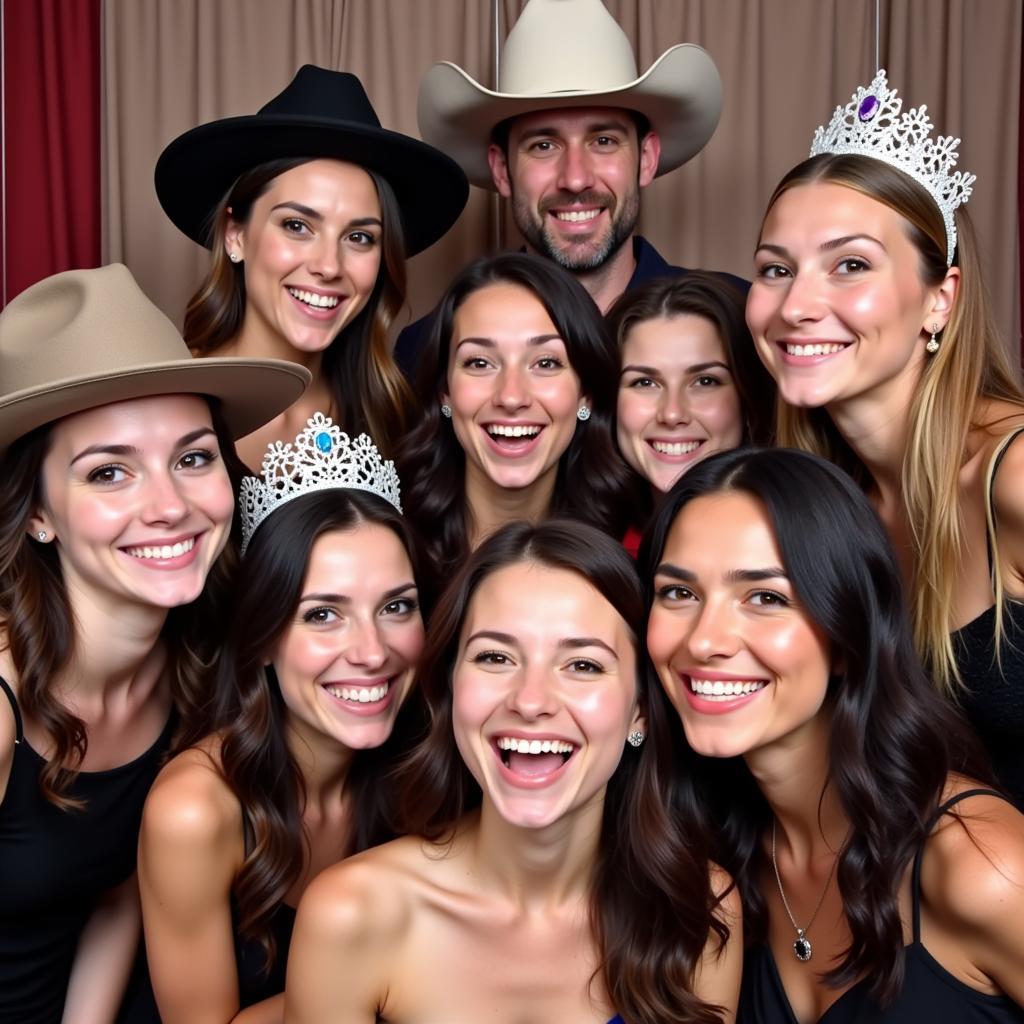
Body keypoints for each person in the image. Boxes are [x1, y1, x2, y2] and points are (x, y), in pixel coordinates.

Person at [0, 264, 306, 1023]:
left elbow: (112, 899)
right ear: (37, 514)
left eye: (193, 457)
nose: (169, 506)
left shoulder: (192, 669)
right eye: (110, 473)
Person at [286, 519, 742, 1024]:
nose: (531, 701)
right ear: (452, 687)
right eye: (495, 657)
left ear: (639, 711)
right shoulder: (352, 915)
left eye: (583, 666)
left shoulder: (698, 910)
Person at [644, 447, 1024, 1021]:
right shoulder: (707, 859)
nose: (703, 641)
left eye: (766, 598)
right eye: (679, 593)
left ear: (848, 635)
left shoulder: (982, 864)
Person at [745, 69, 1024, 806]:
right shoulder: (831, 504)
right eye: (776, 269)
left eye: (851, 266)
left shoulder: (1013, 475)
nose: (797, 305)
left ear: (941, 298)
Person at [137, 416, 428, 1022]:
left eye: (397, 607)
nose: (373, 652)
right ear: (264, 635)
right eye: (323, 615)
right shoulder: (195, 811)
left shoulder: (430, 771)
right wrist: (394, 976)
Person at [396, 0, 743, 377]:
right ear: (501, 169)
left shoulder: (739, 323)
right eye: (543, 146)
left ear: (646, 158)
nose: (575, 178)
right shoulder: (430, 348)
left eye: (604, 141)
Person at [156, 64, 468, 468]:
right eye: (297, 226)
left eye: (360, 237)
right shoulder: (169, 398)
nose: (328, 266)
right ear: (235, 235)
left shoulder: (394, 412)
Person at [396, 252, 634, 579]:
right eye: (480, 363)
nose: (511, 396)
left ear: (586, 394)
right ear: (444, 392)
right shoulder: (390, 553)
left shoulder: (630, 558)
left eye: (545, 363)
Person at [607, 272, 775, 553]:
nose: (672, 414)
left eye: (705, 382)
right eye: (645, 382)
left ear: (747, 399)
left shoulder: (794, 542)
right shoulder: (583, 554)